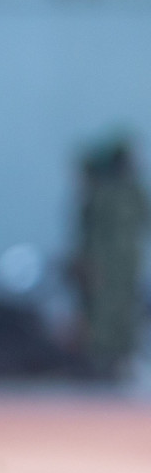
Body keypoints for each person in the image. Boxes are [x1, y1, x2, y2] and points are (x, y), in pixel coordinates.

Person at [72, 137, 149, 379]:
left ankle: (121, 360)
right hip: (102, 264)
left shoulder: (132, 192)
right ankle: (100, 362)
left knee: (125, 312)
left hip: (125, 265)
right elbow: (87, 231)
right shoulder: (101, 192)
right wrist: (85, 261)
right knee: (101, 313)